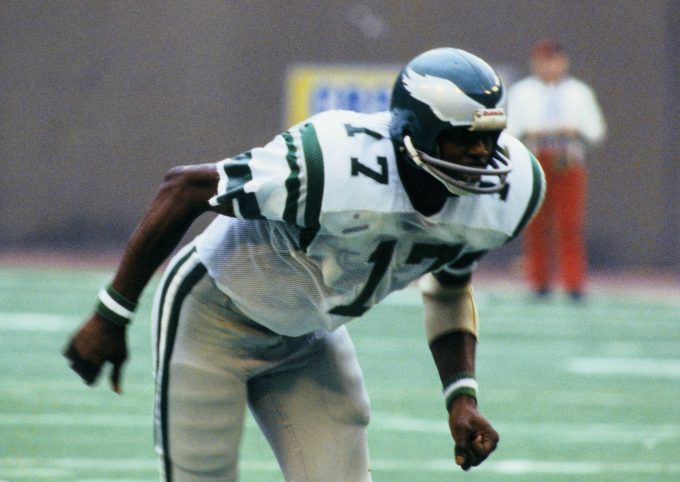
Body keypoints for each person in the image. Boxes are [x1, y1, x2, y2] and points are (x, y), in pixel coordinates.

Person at [64, 47, 545, 482]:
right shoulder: (332, 164)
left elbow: (449, 289)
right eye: (464, 138)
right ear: (415, 134)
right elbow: (183, 188)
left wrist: (461, 396)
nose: (482, 154)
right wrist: (112, 314)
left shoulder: (509, 194)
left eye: (489, 136)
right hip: (212, 316)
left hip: (309, 336)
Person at [506, 39, 606, 300]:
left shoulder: (579, 92)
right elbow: (510, 130)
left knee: (569, 224)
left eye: (552, 59)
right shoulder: (522, 92)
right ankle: (538, 281)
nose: (548, 66)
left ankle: (573, 282)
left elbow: (596, 131)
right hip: (535, 158)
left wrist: (573, 130)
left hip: (567, 159)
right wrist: (533, 130)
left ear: (563, 61)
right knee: (536, 223)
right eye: (542, 60)